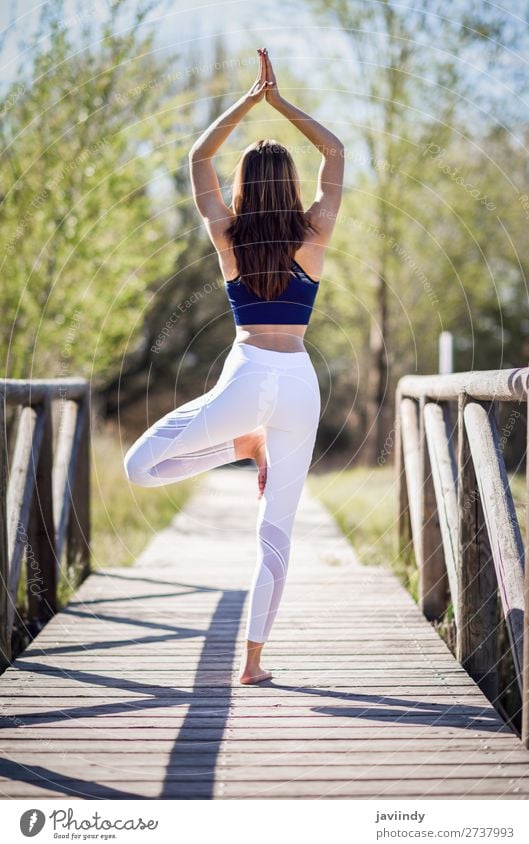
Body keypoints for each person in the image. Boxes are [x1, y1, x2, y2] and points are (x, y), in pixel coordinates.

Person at [123, 47, 344, 684]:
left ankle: (239, 443)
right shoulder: (316, 233)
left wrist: (247, 102)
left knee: (142, 469)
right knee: (275, 533)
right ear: (294, 185)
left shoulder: (228, 234)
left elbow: (198, 160)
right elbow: (335, 155)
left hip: (246, 374)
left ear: (246, 186)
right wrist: (282, 105)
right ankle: (252, 665)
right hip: (299, 382)